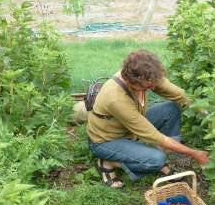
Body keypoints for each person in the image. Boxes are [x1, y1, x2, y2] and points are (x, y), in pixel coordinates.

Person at [87, 50, 208, 188]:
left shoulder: (146, 75)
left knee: (171, 109)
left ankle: (151, 156)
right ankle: (109, 162)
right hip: (106, 141)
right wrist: (194, 153)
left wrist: (206, 111)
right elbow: (154, 136)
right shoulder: (116, 98)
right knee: (157, 159)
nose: (152, 88)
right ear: (131, 82)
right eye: (148, 87)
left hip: (127, 129)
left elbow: (178, 94)